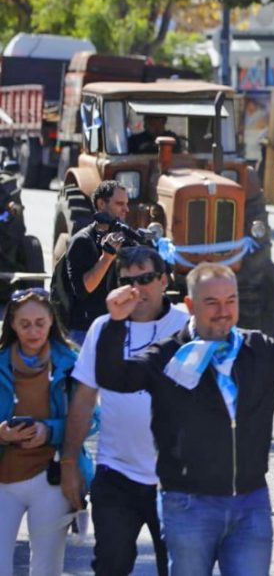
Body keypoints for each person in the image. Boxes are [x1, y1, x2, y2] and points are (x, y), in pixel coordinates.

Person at [95, 263, 274, 575]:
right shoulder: (169, 355)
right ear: (190, 305)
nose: (223, 311)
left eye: (230, 301)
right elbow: (114, 377)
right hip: (188, 506)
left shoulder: (257, 349)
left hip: (250, 505)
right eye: (211, 303)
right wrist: (115, 324)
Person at [61, 246, 187, 576]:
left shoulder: (187, 327)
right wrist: (70, 462)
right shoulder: (103, 328)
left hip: (176, 480)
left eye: (145, 279)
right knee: (111, 566)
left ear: (163, 281)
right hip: (116, 474)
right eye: (127, 280)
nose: (136, 288)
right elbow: (84, 399)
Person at [0, 288, 83, 576]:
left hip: (51, 476)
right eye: (24, 324)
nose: (33, 331)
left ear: (51, 322)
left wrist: (49, 432)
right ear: (11, 324)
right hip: (3, 478)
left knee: (46, 568)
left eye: (39, 323)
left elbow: (89, 418)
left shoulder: (72, 361)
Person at [65, 180, 131, 344]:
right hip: (85, 331)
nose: (126, 210)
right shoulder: (82, 241)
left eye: (127, 204)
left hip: (118, 327)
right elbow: (84, 289)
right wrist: (106, 258)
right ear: (101, 204)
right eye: (119, 204)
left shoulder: (126, 239)